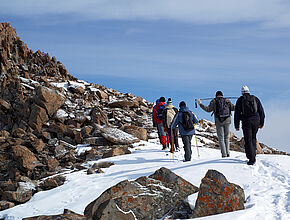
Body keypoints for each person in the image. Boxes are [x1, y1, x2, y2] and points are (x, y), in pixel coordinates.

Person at [197, 91, 235, 158]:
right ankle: (228, 153)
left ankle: (224, 154)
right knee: (226, 137)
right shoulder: (227, 100)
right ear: (222, 95)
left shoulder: (214, 101)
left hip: (218, 121)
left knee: (221, 138)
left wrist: (200, 104)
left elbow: (208, 109)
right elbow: (233, 108)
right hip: (227, 120)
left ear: (216, 95)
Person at [234, 86, 265, 165]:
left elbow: (237, 113)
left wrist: (236, 125)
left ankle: (251, 159)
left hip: (246, 121)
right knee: (253, 137)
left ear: (242, 92)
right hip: (256, 120)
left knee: (248, 139)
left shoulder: (240, 100)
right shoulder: (255, 99)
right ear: (248, 91)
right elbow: (261, 111)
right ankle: (253, 155)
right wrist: (262, 123)